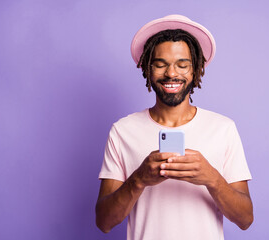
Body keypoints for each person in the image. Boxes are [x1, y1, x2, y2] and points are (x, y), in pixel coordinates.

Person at [95, 14, 253, 240]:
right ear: (148, 69)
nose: (171, 73)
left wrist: (212, 179)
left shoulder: (223, 129)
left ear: (196, 70)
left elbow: (245, 219)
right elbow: (104, 222)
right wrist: (139, 179)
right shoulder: (122, 131)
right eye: (160, 64)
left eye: (182, 65)